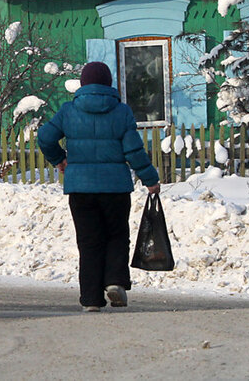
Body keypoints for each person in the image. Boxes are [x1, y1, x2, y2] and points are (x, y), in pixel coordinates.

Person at [37, 61, 161, 312]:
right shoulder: (121, 111)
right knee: (116, 236)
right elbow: (133, 150)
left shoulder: (68, 111)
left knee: (89, 241)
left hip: (81, 190)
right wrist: (150, 179)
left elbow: (45, 137)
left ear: (83, 84)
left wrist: (59, 158)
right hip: (115, 189)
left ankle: (91, 299)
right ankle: (115, 281)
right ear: (108, 83)